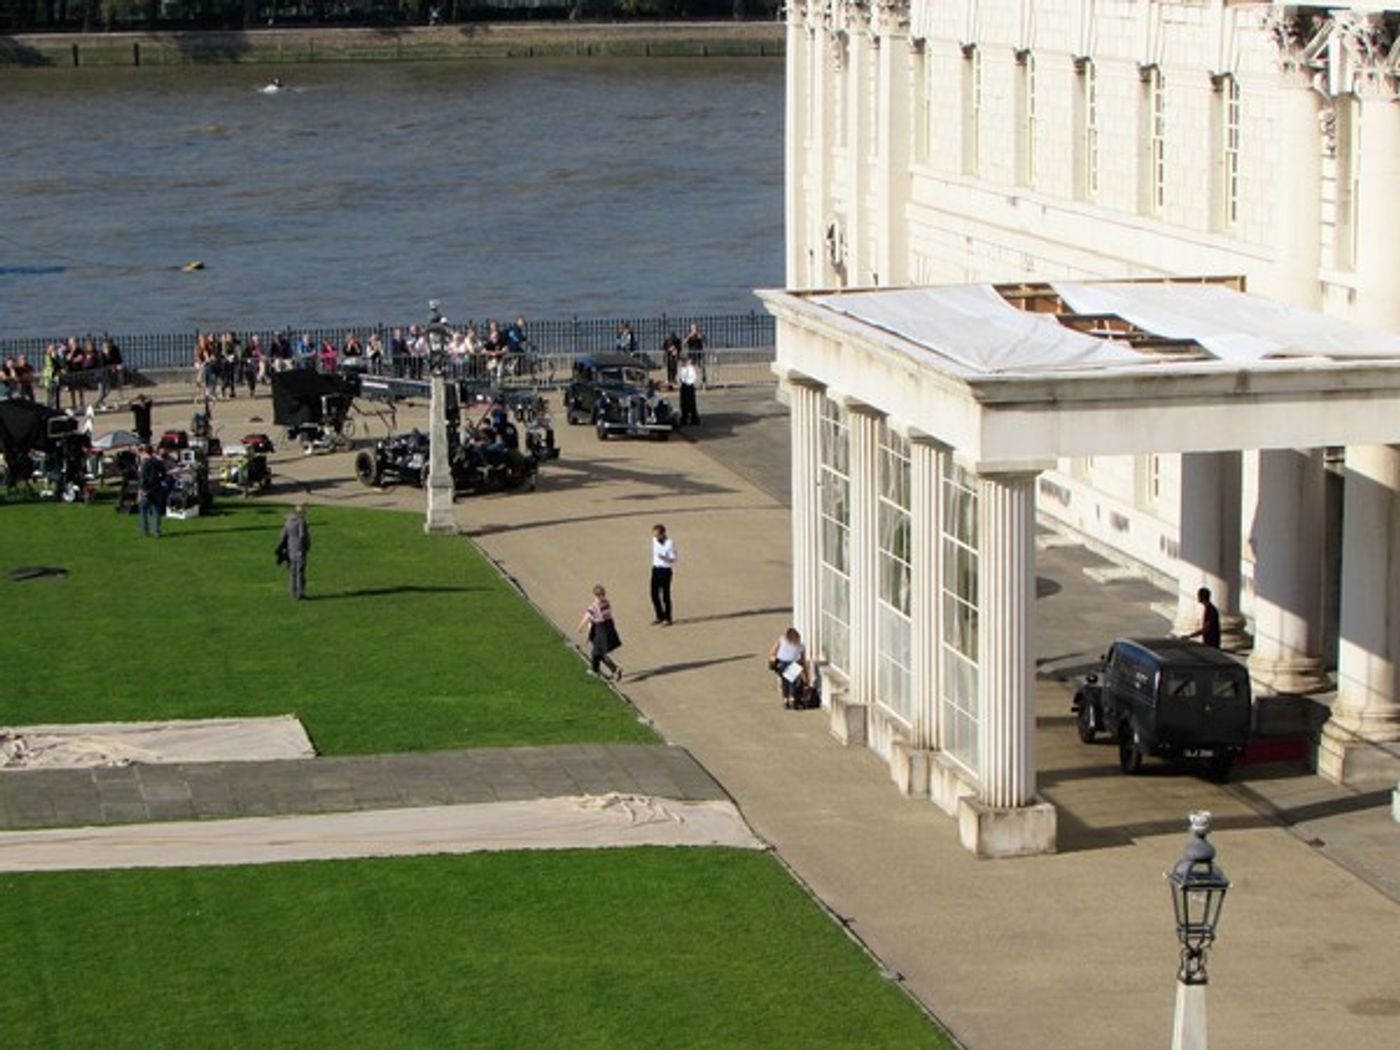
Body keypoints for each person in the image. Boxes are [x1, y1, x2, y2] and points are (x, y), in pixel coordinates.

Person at [577, 584, 623, 680]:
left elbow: (587, 617)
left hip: (600, 629)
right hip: (608, 627)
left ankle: (613, 669)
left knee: (598, 652)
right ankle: (596, 669)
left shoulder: (594, 606)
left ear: (595, 595)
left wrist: (580, 627)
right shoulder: (606, 603)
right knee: (597, 651)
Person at [277, 504, 312, 600]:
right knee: (300, 572)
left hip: (290, 549)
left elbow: (282, 536)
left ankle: (293, 593)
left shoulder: (288, 522)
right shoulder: (301, 522)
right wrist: (307, 547)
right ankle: (300, 593)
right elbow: (302, 536)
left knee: (292, 572)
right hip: (299, 549)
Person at [768, 627, 811, 706]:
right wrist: (806, 676)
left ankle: (785, 699)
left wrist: (772, 658)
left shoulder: (782, 639)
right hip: (793, 664)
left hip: (781, 663)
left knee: (784, 680)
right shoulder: (801, 646)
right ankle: (792, 697)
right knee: (792, 680)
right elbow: (803, 661)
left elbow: (773, 651)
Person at [136, 445, 167, 539]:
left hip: (146, 489)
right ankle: (157, 531)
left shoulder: (144, 463)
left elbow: (142, 478)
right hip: (156, 488)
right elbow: (164, 474)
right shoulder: (158, 462)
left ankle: (146, 530)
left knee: (143, 510)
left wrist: (141, 490)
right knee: (156, 510)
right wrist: (159, 480)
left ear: (145, 452)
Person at [650, 522, 677, 625]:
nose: (655, 537)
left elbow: (674, 559)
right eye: (655, 535)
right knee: (654, 594)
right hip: (655, 569)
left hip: (665, 570)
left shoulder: (670, 543)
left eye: (657, 535)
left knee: (665, 594)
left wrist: (665, 558)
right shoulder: (654, 541)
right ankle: (659, 615)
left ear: (663, 534)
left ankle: (668, 617)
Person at [677, 355, 700, 427]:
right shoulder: (682, 368)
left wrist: (688, 382)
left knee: (691, 403)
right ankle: (685, 418)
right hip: (684, 385)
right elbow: (679, 377)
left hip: (689, 386)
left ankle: (693, 418)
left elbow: (693, 377)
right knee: (684, 403)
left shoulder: (690, 368)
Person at [683, 322, 706, 387]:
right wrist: (689, 336)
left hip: (699, 354)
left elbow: (704, 341)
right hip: (691, 355)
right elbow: (684, 343)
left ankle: (703, 382)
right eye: (693, 328)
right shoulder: (688, 335)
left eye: (695, 328)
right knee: (689, 369)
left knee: (702, 368)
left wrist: (699, 336)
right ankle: (688, 382)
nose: (694, 329)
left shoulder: (700, 335)